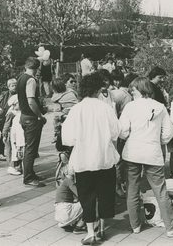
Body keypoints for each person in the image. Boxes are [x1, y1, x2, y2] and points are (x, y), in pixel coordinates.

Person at [119, 77, 173, 238]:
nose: (132, 92)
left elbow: (122, 131)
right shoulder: (160, 107)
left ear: (140, 89)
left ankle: (135, 225)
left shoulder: (130, 107)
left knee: (132, 190)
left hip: (132, 152)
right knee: (160, 190)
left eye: (134, 89)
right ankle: (170, 227)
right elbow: (168, 132)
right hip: (152, 152)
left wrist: (130, 136)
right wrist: (158, 141)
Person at [62, 72, 121, 244]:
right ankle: (102, 228)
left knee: (86, 196)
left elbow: (68, 138)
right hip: (104, 158)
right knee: (105, 193)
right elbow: (116, 132)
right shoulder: (106, 108)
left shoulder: (76, 109)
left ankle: (90, 232)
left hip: (83, 158)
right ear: (98, 89)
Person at [17, 57, 47, 187]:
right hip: (31, 118)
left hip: (24, 116)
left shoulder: (20, 78)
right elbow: (31, 101)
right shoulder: (31, 80)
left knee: (29, 147)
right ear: (37, 68)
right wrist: (40, 115)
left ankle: (30, 172)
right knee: (31, 149)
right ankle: (28, 177)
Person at [111, 73, 139, 199]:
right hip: (120, 132)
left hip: (124, 132)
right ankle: (117, 185)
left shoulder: (126, 95)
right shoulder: (121, 94)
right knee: (119, 160)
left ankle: (120, 183)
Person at [54, 170, 86, 235]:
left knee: (78, 203)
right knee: (89, 203)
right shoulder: (69, 181)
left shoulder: (64, 182)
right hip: (66, 211)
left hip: (59, 213)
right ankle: (78, 227)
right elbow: (80, 195)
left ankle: (69, 223)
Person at [0, 78, 17, 161]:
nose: (14, 87)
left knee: (11, 135)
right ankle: (0, 153)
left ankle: (11, 152)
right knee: (3, 134)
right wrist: (0, 109)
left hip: (12, 116)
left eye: (15, 85)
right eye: (12, 85)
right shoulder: (4, 94)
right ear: (8, 87)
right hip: (3, 117)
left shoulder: (18, 94)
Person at [51, 78, 79, 143]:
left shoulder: (56, 97)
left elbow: (57, 111)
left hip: (65, 112)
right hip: (75, 110)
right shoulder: (71, 91)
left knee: (56, 119)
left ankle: (56, 133)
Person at [2, 95, 23, 176]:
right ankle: (11, 167)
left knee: (17, 150)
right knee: (11, 151)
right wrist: (5, 134)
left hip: (18, 135)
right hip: (11, 135)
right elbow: (6, 125)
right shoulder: (11, 113)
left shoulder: (20, 112)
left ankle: (18, 165)